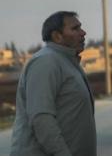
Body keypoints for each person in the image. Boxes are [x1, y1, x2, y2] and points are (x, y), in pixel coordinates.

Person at [10, 11, 95, 156]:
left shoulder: (67, 61)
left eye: (81, 27)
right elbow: (42, 118)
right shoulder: (46, 62)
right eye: (75, 29)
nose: (83, 33)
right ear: (57, 36)